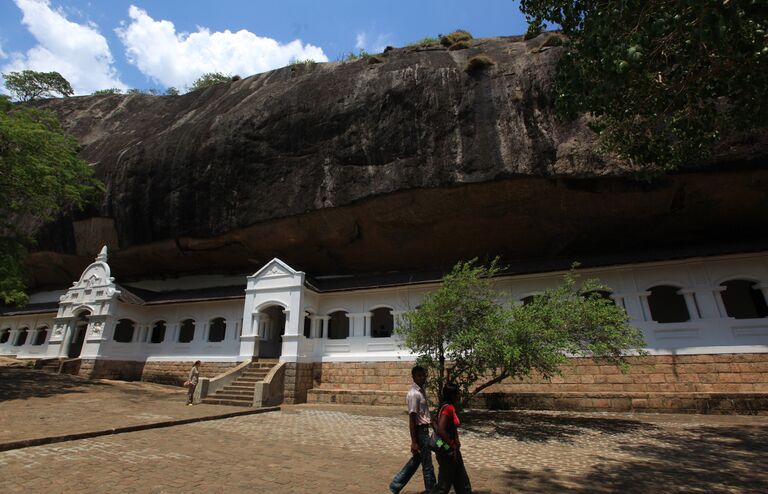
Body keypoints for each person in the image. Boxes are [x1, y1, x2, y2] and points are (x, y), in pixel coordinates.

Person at [389, 365, 436, 493]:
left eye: (423, 375)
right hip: (420, 432)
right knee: (427, 465)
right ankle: (431, 490)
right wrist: (414, 441)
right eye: (419, 376)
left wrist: (434, 427)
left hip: (425, 430)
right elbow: (412, 419)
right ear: (413, 377)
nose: (422, 378)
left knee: (417, 461)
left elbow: (426, 413)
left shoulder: (422, 391)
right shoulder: (414, 394)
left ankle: (395, 485)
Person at [430, 383, 471, 494]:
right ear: (452, 395)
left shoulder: (444, 406)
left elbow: (434, 422)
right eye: (458, 392)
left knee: (462, 483)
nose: (459, 394)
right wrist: (452, 446)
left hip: (449, 449)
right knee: (443, 486)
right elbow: (441, 430)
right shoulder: (448, 408)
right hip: (448, 450)